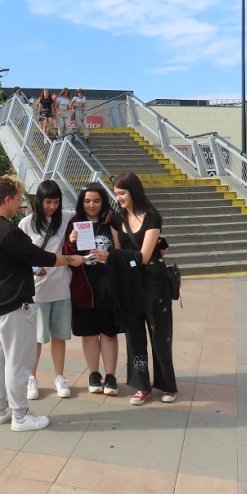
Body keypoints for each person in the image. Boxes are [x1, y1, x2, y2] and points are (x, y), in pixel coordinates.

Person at [0, 175, 85, 432]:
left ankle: (0, 409)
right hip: (13, 306)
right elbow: (37, 255)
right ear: (7, 199)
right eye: (17, 200)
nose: (20, 205)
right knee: (18, 363)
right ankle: (20, 415)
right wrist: (70, 260)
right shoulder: (7, 230)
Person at [110, 171, 177, 405]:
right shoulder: (116, 219)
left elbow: (145, 257)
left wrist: (116, 258)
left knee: (160, 334)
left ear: (134, 191)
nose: (118, 198)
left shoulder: (152, 218)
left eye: (122, 193)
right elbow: (119, 252)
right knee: (134, 335)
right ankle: (141, 386)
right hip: (129, 284)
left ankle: (167, 385)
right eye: (116, 194)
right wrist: (117, 258)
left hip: (154, 282)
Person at [18, 180, 76, 400]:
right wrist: (33, 268)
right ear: (39, 201)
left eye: (56, 202)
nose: (52, 207)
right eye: (48, 202)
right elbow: (19, 254)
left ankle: (59, 377)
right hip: (38, 292)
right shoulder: (26, 224)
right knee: (36, 338)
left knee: (59, 336)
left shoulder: (67, 218)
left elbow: (90, 212)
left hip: (62, 289)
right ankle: (31, 378)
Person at [62, 183, 120, 396]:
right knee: (88, 335)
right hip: (83, 288)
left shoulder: (111, 221)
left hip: (108, 288)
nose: (92, 205)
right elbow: (67, 258)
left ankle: (111, 376)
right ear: (81, 202)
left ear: (103, 202)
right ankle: (94, 374)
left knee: (109, 334)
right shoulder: (75, 223)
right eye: (87, 201)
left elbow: (122, 251)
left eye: (96, 201)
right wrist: (71, 242)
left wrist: (110, 257)